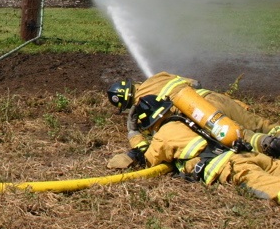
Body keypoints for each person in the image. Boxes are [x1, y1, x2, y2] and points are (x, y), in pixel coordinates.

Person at [128, 94, 280, 203]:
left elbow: (148, 161)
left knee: (269, 186)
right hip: (246, 155)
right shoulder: (192, 118)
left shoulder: (163, 135)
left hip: (232, 167)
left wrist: (134, 134)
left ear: (148, 123)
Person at [107, 72, 280, 168]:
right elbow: (196, 83)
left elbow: (154, 145)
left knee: (239, 137)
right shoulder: (158, 76)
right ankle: (272, 137)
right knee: (262, 125)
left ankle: (267, 144)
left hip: (202, 116)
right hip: (211, 98)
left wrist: (133, 132)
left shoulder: (144, 107)